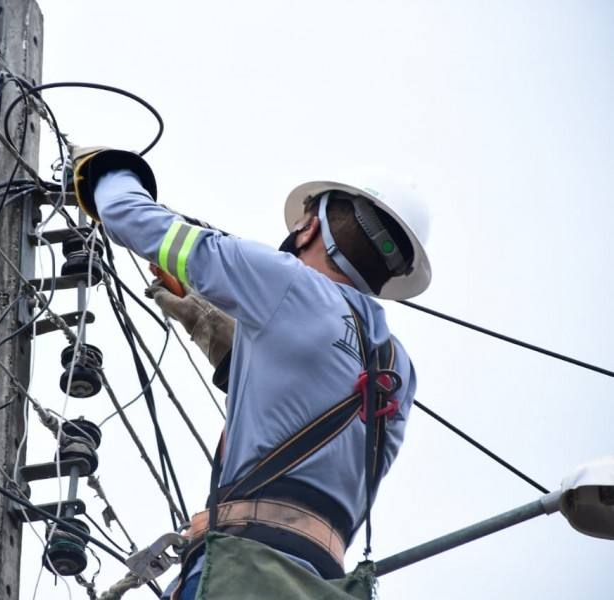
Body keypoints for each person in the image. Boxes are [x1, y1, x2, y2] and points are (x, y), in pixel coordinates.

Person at [72, 149, 432, 599]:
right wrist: (222, 340)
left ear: (309, 227)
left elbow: (127, 215)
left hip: (242, 568)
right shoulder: (397, 365)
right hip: (322, 583)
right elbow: (301, 404)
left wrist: (108, 169)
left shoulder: (285, 282)